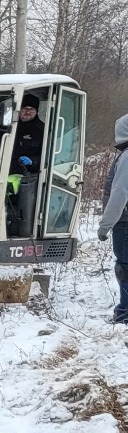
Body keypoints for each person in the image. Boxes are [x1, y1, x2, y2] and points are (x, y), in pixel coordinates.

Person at [98, 114, 128, 324]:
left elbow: (119, 194)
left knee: (125, 267)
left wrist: (105, 226)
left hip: (125, 223)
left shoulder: (127, 157)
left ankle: (125, 312)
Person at [6, 92, 47, 238]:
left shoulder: (43, 130)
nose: (28, 112)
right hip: (5, 170)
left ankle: (20, 229)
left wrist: (33, 161)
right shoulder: (9, 128)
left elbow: (48, 155)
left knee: (16, 187)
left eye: (31, 109)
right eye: (25, 108)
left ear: (36, 111)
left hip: (28, 175)